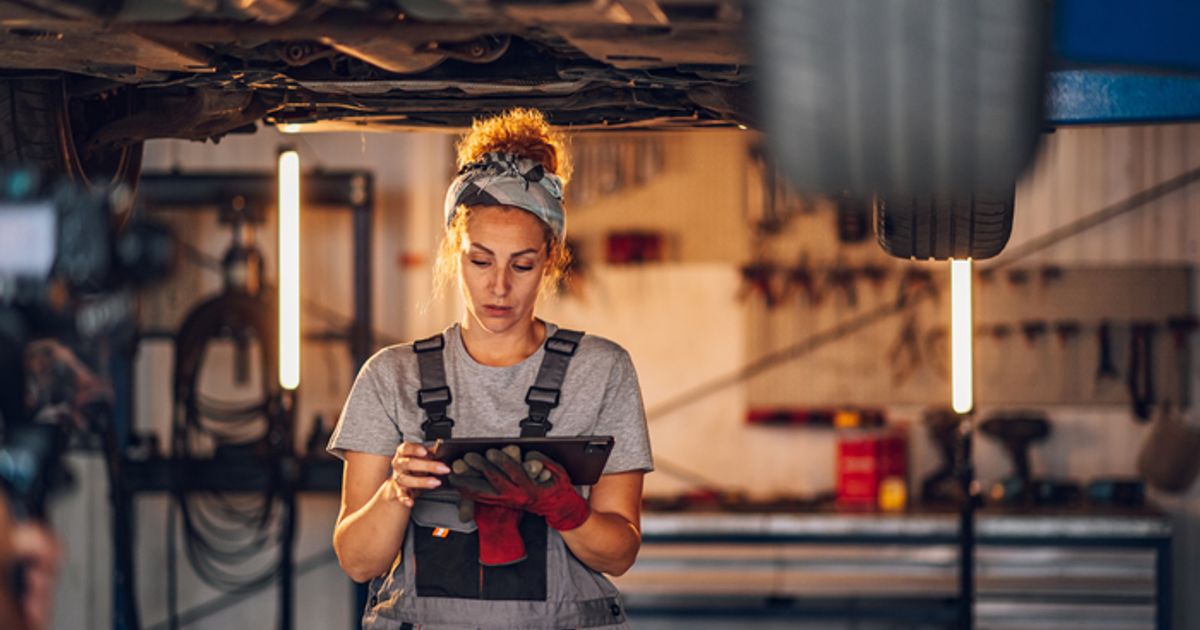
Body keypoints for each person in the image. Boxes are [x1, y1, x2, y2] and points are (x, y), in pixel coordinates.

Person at [329, 108, 653, 629]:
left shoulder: (601, 371)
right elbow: (357, 560)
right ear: (454, 252)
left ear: (550, 258)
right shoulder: (391, 377)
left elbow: (618, 555)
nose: (499, 287)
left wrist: (565, 508)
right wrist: (398, 491)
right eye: (481, 261)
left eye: (521, 265)